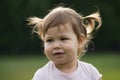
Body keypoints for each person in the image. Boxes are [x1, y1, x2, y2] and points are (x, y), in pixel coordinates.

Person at [27, 6, 102, 80]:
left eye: (63, 39)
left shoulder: (90, 73)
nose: (56, 46)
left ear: (80, 41)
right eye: (49, 40)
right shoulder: (42, 76)